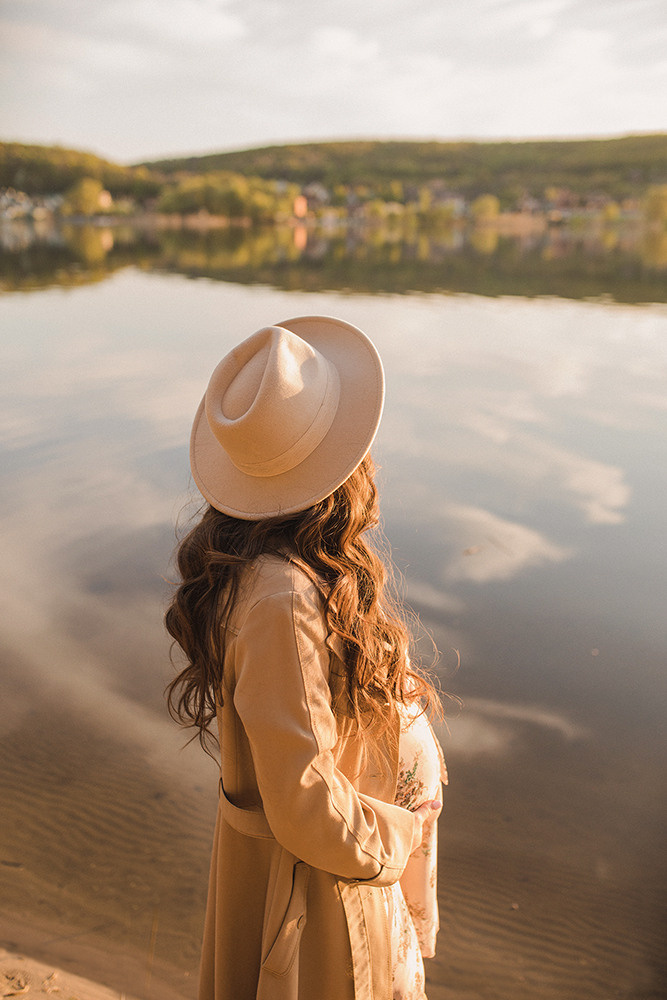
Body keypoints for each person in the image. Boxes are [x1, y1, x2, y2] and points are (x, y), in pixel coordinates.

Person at [165, 316, 448, 1000]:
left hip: (325, 874)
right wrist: (400, 834)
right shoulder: (280, 597)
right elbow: (304, 801)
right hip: (321, 900)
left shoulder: (277, 568)